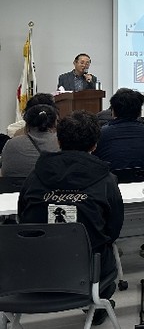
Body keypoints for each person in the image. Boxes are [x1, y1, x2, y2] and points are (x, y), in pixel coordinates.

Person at [18, 110, 123, 326]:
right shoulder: (106, 180)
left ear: (58, 140)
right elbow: (113, 230)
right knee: (107, 252)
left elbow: (22, 219)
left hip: (33, 270)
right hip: (89, 273)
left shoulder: (34, 176)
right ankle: (98, 302)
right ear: (95, 145)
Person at [93, 88, 144, 265]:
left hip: (111, 204)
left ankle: (109, 245)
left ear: (113, 111)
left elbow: (94, 166)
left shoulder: (101, 135)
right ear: (139, 112)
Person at [0, 104, 59, 178]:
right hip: (48, 185)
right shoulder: (60, 143)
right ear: (55, 123)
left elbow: (4, 169)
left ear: (26, 123)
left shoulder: (11, 144)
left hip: (14, 185)